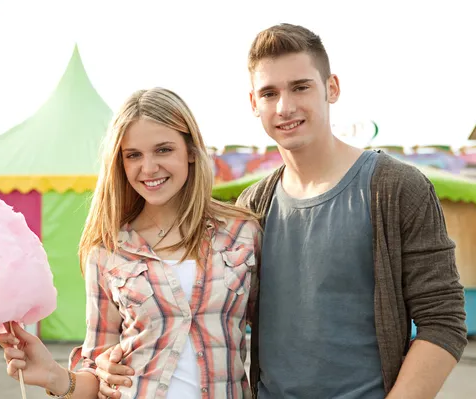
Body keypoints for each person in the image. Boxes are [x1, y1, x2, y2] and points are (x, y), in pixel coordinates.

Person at [94, 23, 468, 399]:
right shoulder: (251, 210)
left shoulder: (395, 188)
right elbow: (207, 318)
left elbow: (443, 320)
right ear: (254, 103)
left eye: (300, 87)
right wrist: (113, 361)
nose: (285, 106)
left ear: (332, 88)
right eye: (269, 93)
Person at [0, 87, 261, 398]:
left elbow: (277, 341)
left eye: (163, 150)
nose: (148, 168)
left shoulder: (243, 232)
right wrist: (53, 376)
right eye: (133, 155)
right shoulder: (107, 250)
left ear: (190, 151)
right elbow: (98, 374)